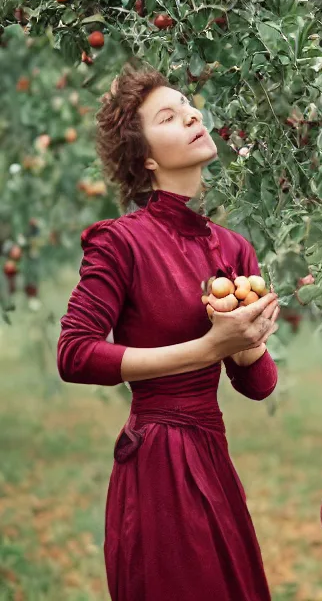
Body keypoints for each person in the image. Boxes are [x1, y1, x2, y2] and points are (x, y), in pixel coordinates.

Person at [57, 62, 280, 600]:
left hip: (211, 451)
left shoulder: (232, 248)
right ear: (147, 158)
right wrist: (207, 347)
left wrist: (246, 345)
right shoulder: (121, 242)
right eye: (169, 115)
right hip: (158, 460)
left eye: (189, 107)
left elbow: (259, 385)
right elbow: (74, 354)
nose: (192, 115)